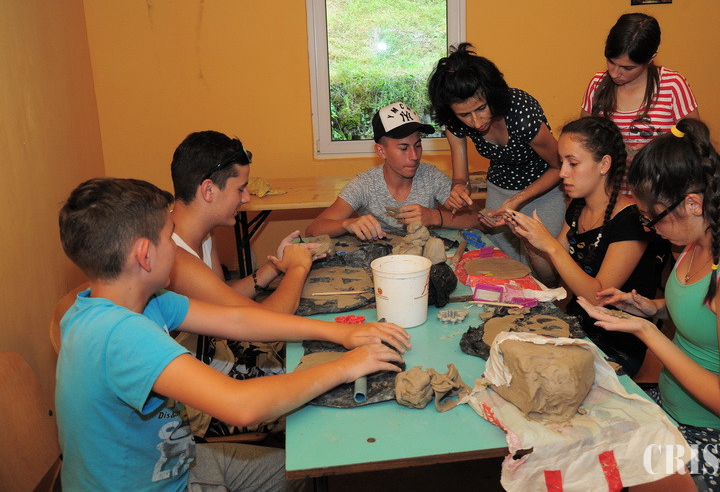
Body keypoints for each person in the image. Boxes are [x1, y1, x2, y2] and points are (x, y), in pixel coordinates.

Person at [56, 177, 409, 490]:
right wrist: (346, 366)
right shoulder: (119, 335)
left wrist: (340, 334)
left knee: (303, 471)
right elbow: (241, 407)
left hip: (177, 463)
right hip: (162, 484)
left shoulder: (143, 301)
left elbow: (240, 321)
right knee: (308, 466)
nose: (176, 248)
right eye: (169, 237)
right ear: (145, 255)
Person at [577, 119, 720, 490]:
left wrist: (648, 333)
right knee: (576, 430)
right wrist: (652, 307)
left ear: (692, 203)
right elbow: (709, 313)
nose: (649, 227)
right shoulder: (703, 235)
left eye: (651, 218)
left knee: (593, 471)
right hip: (676, 411)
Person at [169, 130, 325, 439]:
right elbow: (269, 321)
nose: (247, 198)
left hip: (208, 357)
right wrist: (297, 268)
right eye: (240, 188)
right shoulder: (175, 259)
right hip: (189, 403)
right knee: (314, 386)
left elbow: (220, 299)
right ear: (208, 190)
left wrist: (272, 268)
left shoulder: (202, 233)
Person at [505, 116, 667, 376]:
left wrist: (551, 246)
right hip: (578, 326)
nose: (562, 173)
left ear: (604, 164)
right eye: (561, 162)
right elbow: (550, 276)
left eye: (573, 163)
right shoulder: (578, 206)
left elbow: (597, 298)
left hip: (616, 344)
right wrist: (532, 243)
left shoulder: (631, 221)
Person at [428, 43, 564, 284]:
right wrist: (458, 189)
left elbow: (559, 166)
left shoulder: (522, 115)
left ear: (492, 96)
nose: (475, 121)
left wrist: (519, 199)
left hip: (544, 190)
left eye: (481, 108)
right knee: (502, 267)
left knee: (544, 271)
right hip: (500, 190)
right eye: (464, 114)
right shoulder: (455, 123)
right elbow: (461, 178)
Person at [306, 101, 478, 240]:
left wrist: (434, 216)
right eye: (403, 148)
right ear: (381, 151)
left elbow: (477, 218)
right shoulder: (365, 184)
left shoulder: (430, 177)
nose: (414, 156)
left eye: (418, 145)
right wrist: (347, 224)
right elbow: (313, 229)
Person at [580, 13, 699, 186]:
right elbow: (583, 140)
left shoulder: (673, 85)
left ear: (651, 59)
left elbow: (695, 144)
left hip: (659, 190)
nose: (614, 73)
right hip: (610, 192)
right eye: (611, 62)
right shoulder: (598, 85)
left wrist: (650, 158)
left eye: (627, 68)